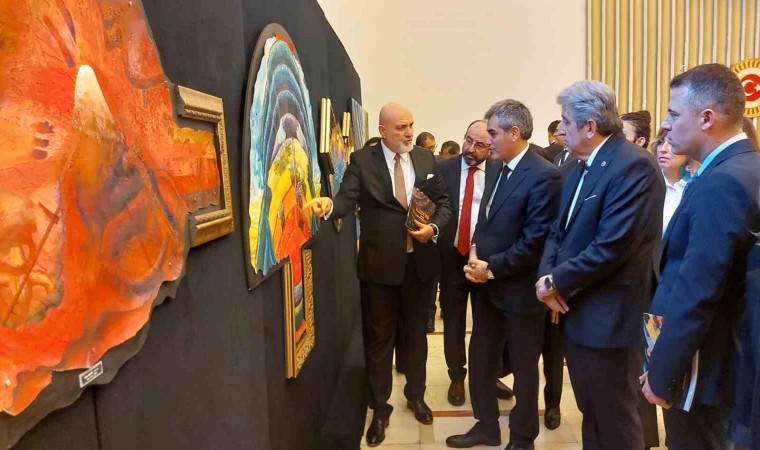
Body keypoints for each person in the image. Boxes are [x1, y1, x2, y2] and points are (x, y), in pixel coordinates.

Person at [305, 103, 452, 447]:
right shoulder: (362, 161)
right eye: (401, 127)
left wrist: (433, 228)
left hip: (420, 266)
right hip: (379, 269)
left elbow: (444, 203)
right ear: (383, 131)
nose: (409, 132)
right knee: (379, 341)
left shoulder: (426, 160)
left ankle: (416, 396)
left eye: (411, 125)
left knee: (416, 337)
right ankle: (380, 408)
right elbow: (346, 199)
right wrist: (329, 206)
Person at [536, 80, 664, 450]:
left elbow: (612, 246)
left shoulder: (634, 166)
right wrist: (547, 280)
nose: (561, 130)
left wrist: (555, 282)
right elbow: (557, 232)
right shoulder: (577, 167)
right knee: (592, 414)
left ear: (590, 126)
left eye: (566, 122)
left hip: (612, 320)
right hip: (578, 313)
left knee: (616, 420)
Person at [642, 63, 760, 450]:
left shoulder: (723, 180)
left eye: (674, 114)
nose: (665, 124)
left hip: (705, 367)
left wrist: (662, 373)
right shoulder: (742, 166)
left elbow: (698, 290)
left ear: (707, 118)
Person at [446, 100, 562, 450]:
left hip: (520, 293)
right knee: (481, 359)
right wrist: (475, 253)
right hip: (487, 289)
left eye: (493, 134)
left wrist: (492, 268)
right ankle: (486, 426)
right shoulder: (496, 167)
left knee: (524, 370)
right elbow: (486, 220)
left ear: (514, 133)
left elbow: (534, 242)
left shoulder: (544, 175)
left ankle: (523, 438)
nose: (488, 141)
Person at [437, 120, 495, 406]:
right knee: (453, 320)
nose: (471, 149)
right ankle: (457, 376)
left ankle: (488, 375)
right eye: (468, 140)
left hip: (485, 259)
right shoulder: (444, 168)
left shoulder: (499, 171)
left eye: (480, 145)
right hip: (451, 257)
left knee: (487, 323)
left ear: (491, 147)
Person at [651, 128, 689, 234]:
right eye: (660, 142)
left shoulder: (695, 186)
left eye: (672, 143)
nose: (663, 149)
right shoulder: (646, 184)